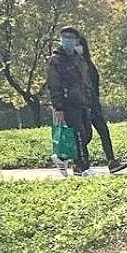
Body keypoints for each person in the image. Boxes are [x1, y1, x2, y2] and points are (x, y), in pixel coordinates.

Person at [47, 26, 94, 176]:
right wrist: (58, 107)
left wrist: (89, 99)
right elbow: (54, 85)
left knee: (87, 134)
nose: (67, 40)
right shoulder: (56, 60)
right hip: (68, 104)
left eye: (71, 37)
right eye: (64, 37)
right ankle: (82, 167)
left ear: (76, 41)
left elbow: (86, 80)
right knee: (78, 134)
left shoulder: (78, 58)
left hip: (82, 102)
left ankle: (61, 157)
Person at [78, 35, 127, 174]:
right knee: (85, 136)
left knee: (104, 132)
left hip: (93, 104)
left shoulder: (89, 64)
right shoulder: (72, 66)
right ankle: (80, 163)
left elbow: (94, 85)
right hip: (81, 106)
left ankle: (112, 161)